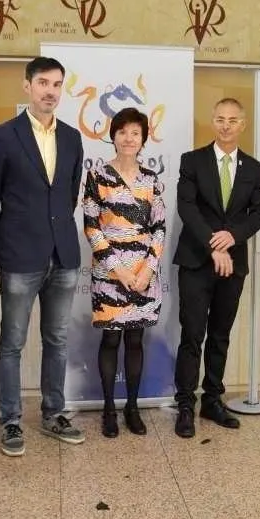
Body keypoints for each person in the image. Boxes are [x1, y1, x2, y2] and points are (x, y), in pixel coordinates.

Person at [0, 56, 85, 456]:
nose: (50, 91)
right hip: (19, 258)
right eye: (42, 83)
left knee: (57, 339)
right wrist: (7, 243)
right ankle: (10, 421)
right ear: (27, 86)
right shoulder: (4, 136)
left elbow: (69, 195)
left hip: (63, 255)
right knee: (12, 342)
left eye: (56, 84)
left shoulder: (72, 137)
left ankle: (54, 413)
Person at [172, 98, 260, 438]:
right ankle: (185, 405)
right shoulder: (192, 161)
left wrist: (233, 236)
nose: (226, 125)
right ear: (212, 122)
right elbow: (187, 207)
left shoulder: (253, 168)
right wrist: (215, 244)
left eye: (232, 120)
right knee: (192, 335)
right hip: (197, 261)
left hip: (233, 265)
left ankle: (212, 400)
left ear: (242, 124)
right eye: (220, 119)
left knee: (220, 335)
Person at [81, 107, 165, 438]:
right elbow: (92, 227)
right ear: (113, 136)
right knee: (111, 338)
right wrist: (120, 271)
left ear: (143, 139)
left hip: (144, 274)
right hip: (109, 274)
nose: (129, 138)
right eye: (122, 132)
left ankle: (132, 407)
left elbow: (159, 228)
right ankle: (108, 409)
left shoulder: (151, 179)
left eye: (135, 133)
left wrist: (146, 271)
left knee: (135, 339)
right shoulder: (97, 176)